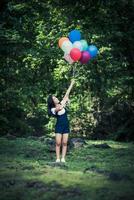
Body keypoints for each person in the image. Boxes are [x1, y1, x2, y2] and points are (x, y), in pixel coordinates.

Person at [47, 79, 75, 163]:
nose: (56, 98)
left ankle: (63, 158)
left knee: (65, 143)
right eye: (54, 98)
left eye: (55, 97)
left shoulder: (62, 103)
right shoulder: (53, 109)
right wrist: (64, 102)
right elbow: (59, 108)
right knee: (58, 143)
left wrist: (71, 84)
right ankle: (57, 158)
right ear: (52, 101)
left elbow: (67, 94)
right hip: (59, 126)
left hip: (66, 125)